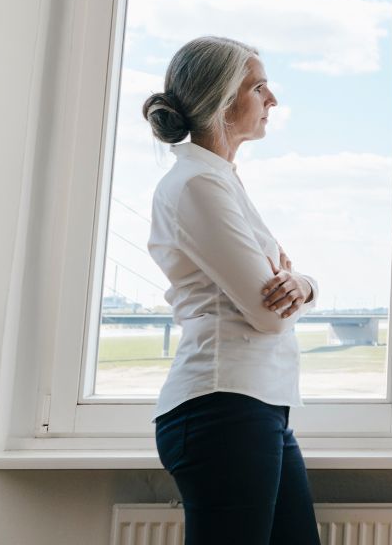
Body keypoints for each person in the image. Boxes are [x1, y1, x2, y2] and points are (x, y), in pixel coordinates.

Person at [141, 35, 322, 544]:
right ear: (221, 100)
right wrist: (294, 287)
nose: (272, 100)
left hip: (255, 407)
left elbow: (282, 291)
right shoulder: (198, 185)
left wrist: (304, 285)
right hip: (222, 408)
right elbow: (269, 314)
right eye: (258, 87)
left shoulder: (219, 181)